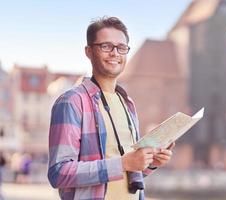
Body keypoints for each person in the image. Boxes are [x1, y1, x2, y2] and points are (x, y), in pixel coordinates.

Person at [48, 16, 174, 200]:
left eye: (121, 47)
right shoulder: (71, 102)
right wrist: (123, 163)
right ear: (89, 51)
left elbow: (128, 172)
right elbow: (59, 173)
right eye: (106, 46)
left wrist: (150, 162)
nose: (115, 53)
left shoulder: (127, 103)